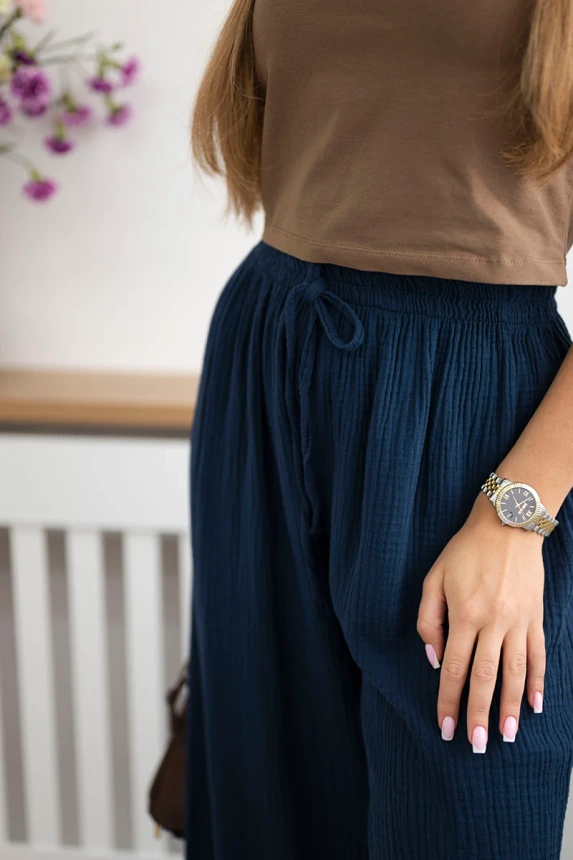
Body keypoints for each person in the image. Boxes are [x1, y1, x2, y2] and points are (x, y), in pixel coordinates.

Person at [185, 1, 573, 857]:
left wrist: (516, 514)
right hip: (268, 345)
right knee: (272, 806)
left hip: (474, 409)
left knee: (473, 808)